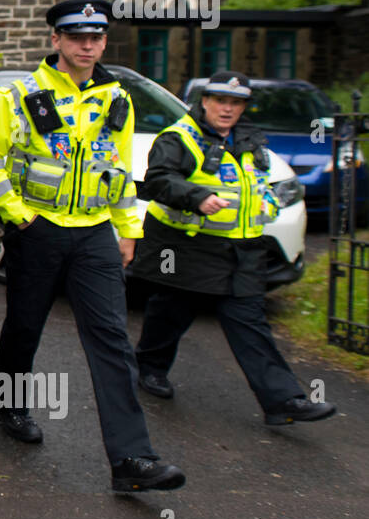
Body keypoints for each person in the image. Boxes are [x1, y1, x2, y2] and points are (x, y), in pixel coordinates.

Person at [0, 0, 186, 491]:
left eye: (95, 37)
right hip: (38, 230)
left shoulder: (118, 99)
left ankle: (133, 461)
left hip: (94, 234)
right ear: (56, 40)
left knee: (111, 339)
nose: (86, 45)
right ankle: (9, 405)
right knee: (25, 327)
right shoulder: (20, 96)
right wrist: (20, 218)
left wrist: (129, 229)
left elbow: (118, 170)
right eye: (75, 36)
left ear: (104, 41)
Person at [131, 70, 336, 425]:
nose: (227, 109)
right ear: (205, 102)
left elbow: (261, 186)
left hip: (242, 250)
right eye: (221, 101)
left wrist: (267, 204)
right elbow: (159, 181)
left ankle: (283, 401)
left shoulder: (250, 141)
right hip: (189, 248)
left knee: (249, 323)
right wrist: (197, 197)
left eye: (236, 103)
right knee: (171, 313)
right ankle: (148, 368)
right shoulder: (178, 138)